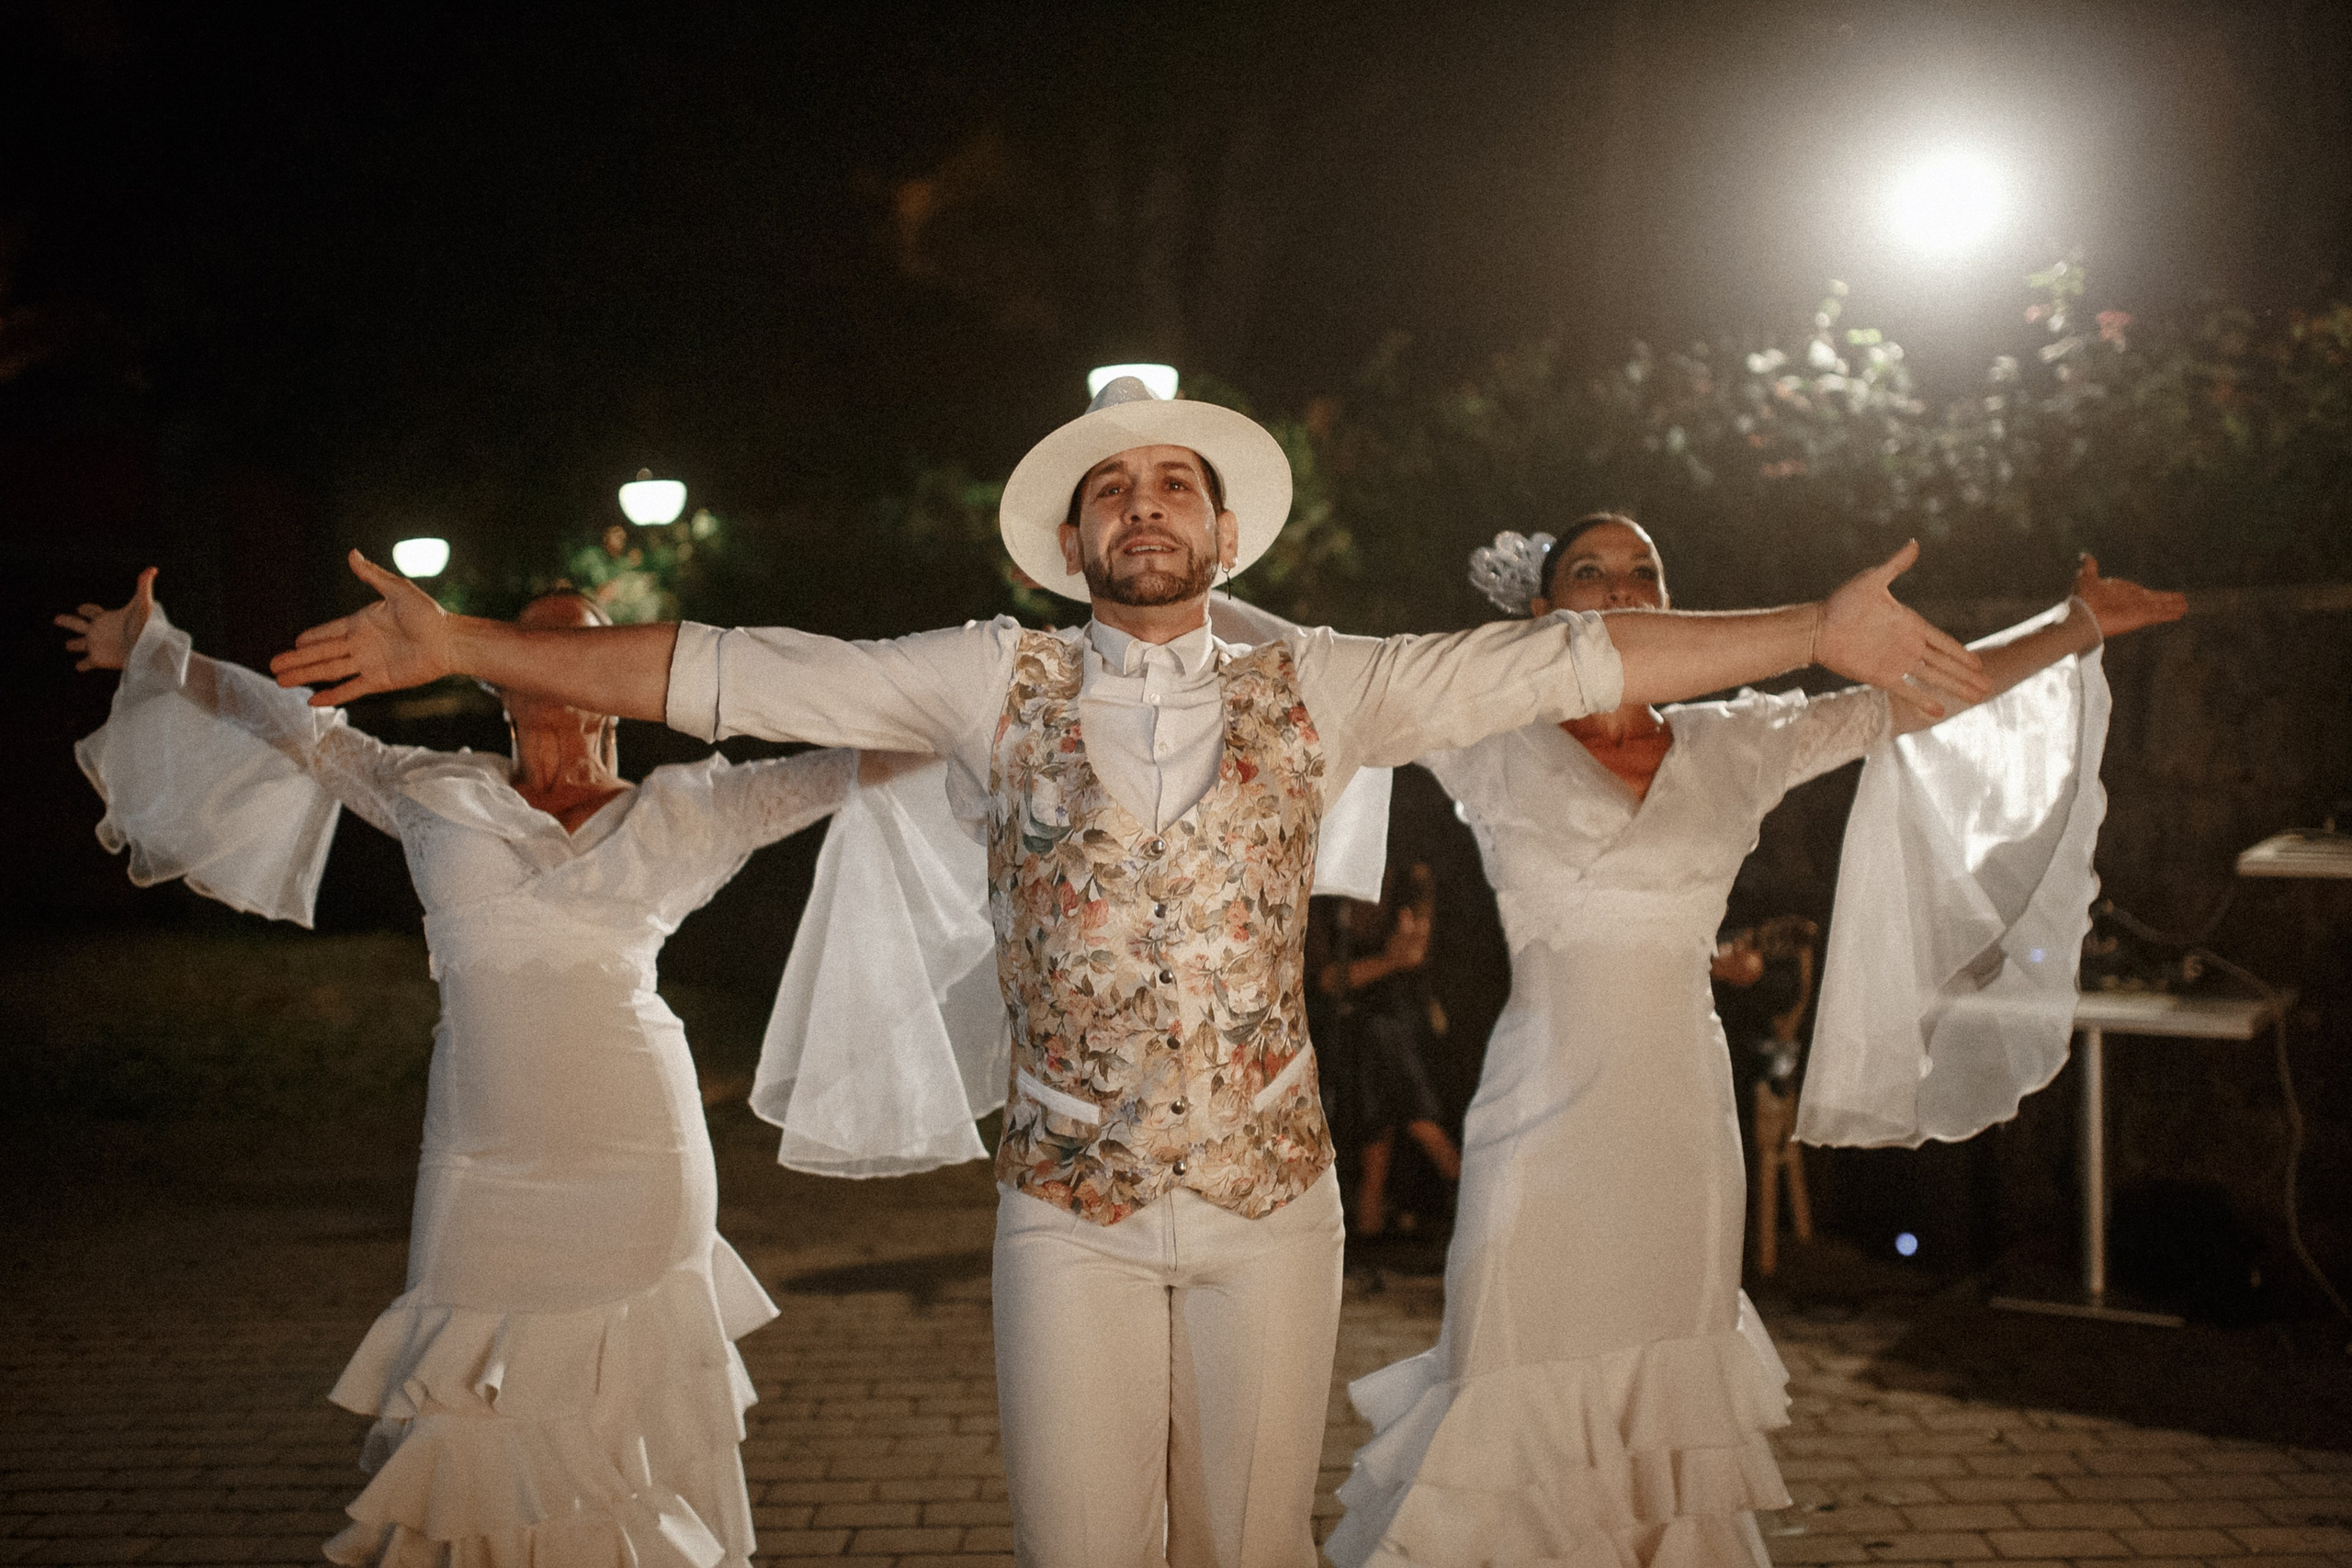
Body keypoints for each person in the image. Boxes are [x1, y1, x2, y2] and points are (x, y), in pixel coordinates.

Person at [265, 378, 1987, 1568]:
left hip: (1269, 1198)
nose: (1144, 505)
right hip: (1068, 1205)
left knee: (1244, 1545)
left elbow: (1582, 647)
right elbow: (729, 671)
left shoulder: (1331, 689)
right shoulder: (976, 678)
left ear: (1224, 539)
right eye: (1114, 489)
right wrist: (461, 643)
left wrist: (1808, 634)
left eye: (1175, 487)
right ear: (1070, 541)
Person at [1323, 515, 2185, 1568]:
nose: (1625, 588)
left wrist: (2075, 624)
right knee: (1511, 1358)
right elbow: (1311, 668)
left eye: (1647, 569)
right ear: (1542, 614)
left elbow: (1919, 697)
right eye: (1589, 573)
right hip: (1538, 1114)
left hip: (1681, 1120)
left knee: (1664, 1382)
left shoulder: (1737, 739)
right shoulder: (1482, 737)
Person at [60, 568, 882, 1568]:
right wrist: (154, 650)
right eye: (534, 644)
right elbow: (288, 724)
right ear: (495, 673)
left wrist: (1004, 697)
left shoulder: (696, 807)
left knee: (618, 1413)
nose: (564, 666)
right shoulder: (425, 788)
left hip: (640, 1152)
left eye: (587, 644)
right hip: (482, 1156)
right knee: (466, 1414)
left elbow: (862, 760)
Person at [1309, 863, 1463, 1236]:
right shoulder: (1323, 889)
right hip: (1346, 1024)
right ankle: (1373, 1230)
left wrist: (1380, 965)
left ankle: (1376, 1207)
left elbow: (1414, 955)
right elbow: (1327, 979)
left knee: (1410, 1105)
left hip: (1400, 1018)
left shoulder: (1412, 877)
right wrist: (1389, 962)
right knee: (1373, 1121)